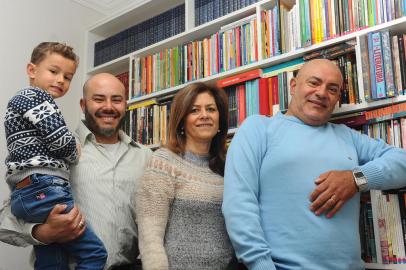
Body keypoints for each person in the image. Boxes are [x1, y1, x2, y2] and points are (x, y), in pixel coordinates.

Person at [222, 59, 406, 270]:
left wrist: (356, 179)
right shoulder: (259, 128)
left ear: (337, 98)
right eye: (314, 83)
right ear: (293, 86)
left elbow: (402, 161)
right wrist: (260, 265)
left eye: (332, 89)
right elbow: (238, 203)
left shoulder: (348, 136)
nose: (321, 93)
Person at [0, 72, 152, 270]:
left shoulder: (147, 157)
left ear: (126, 105)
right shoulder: (56, 152)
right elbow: (5, 221)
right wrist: (43, 232)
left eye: (117, 100)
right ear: (83, 105)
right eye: (98, 99)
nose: (108, 107)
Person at [3, 42, 107, 269]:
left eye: (68, 77)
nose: (61, 80)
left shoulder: (20, 102)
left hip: (26, 193)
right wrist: (75, 147)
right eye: (54, 71)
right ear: (32, 70)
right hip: (46, 188)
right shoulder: (37, 97)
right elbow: (62, 143)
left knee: (52, 263)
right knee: (95, 255)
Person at [135, 82, 235, 270]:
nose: (204, 115)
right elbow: (150, 239)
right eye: (194, 110)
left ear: (220, 120)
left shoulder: (230, 166)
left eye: (211, 109)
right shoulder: (163, 162)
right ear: (182, 120)